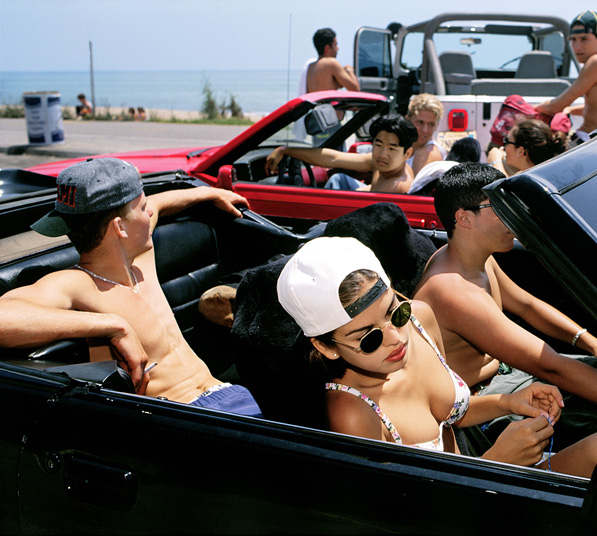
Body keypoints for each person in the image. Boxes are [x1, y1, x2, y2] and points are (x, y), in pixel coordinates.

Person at [276, 236, 597, 477]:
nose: (395, 337)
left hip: (482, 479)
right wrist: (495, 462)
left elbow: (447, 415)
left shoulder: (420, 318)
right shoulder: (352, 413)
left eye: (394, 312)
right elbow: (402, 513)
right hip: (463, 506)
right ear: (327, 346)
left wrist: (509, 401)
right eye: (368, 339)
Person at [413, 163, 597, 446]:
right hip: (484, 407)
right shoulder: (451, 290)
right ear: (464, 218)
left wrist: (595, 346)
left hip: (511, 376)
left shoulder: (474, 258)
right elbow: (551, 368)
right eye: (498, 206)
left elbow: (527, 306)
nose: (513, 215)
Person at [0, 158, 262, 418]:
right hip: (186, 417)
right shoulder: (77, 283)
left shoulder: (139, 257)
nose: (150, 213)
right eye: (143, 208)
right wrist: (113, 325)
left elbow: (160, 203)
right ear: (120, 228)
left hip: (229, 394)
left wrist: (209, 193)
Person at [534, 11, 597, 148]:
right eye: (573, 40)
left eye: (584, 39)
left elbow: (556, 106)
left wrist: (528, 109)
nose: (577, 47)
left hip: (591, 141)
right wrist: (570, 110)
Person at [266, 114, 418, 193]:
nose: (383, 154)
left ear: (407, 153)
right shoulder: (382, 164)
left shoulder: (399, 187)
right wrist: (286, 150)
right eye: (378, 144)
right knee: (338, 179)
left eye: (392, 148)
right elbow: (334, 158)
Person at [486, 118, 567, 177]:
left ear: (520, 151)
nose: (503, 147)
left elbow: (506, 194)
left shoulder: (529, 182)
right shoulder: (544, 175)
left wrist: (495, 162)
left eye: (507, 141)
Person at [305, 28, 360, 94]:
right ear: (327, 48)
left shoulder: (311, 67)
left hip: (317, 104)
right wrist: (349, 70)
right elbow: (355, 89)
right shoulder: (331, 63)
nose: (337, 48)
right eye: (335, 45)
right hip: (328, 104)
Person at [406, 94, 447, 176]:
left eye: (431, 124)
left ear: (437, 126)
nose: (425, 130)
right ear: (407, 121)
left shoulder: (427, 153)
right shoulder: (403, 146)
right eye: (420, 123)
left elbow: (412, 188)